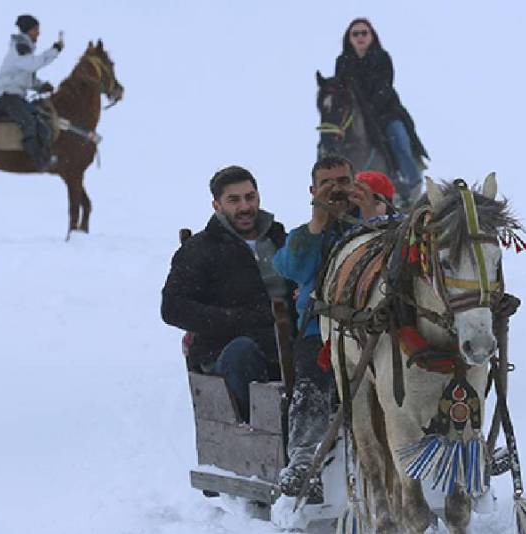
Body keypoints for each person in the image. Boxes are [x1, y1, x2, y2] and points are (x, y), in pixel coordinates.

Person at [273, 155, 381, 502]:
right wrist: (317, 225)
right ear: (313, 190)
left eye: (343, 181)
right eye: (327, 183)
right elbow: (290, 267)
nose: (336, 189)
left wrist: (371, 219)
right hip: (320, 333)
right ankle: (304, 458)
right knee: (312, 380)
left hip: (376, 330)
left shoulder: (374, 227)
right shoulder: (304, 237)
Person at [161, 166, 291, 418]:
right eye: (234, 200)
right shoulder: (200, 250)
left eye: (250, 197)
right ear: (217, 205)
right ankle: (259, 427)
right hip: (226, 349)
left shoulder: (280, 240)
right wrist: (235, 319)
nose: (244, 206)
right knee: (242, 352)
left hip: (286, 343)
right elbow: (173, 307)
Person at [334, 18, 429, 206]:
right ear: (349, 38)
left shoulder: (382, 57)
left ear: (371, 36)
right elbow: (341, 91)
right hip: (357, 116)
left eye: (364, 33)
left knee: (398, 138)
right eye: (356, 33)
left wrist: (370, 107)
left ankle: (411, 183)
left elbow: (385, 86)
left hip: (386, 112)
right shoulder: (343, 62)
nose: (360, 37)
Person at [0, 14, 64, 171]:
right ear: (28, 30)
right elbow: (32, 65)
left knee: (41, 119)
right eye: (36, 29)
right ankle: (39, 161)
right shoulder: (20, 48)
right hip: (6, 95)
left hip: (15, 95)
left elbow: (26, 78)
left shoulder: (25, 49)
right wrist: (54, 50)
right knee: (29, 122)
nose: (39, 33)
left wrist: (41, 86)